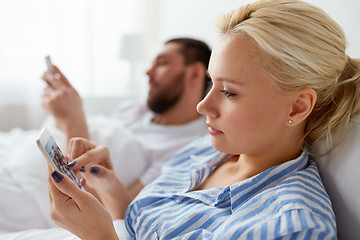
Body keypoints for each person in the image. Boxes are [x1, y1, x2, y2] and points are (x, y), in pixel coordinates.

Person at [48, 0, 360, 239]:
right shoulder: (206, 150)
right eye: (212, 84)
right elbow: (140, 224)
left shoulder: (290, 225)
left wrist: (100, 236)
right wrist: (110, 186)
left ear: (296, 107)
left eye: (230, 93)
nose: (202, 106)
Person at [42, 38, 211, 197]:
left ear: (195, 73)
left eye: (161, 63)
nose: (148, 72)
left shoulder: (189, 149)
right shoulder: (133, 109)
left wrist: (73, 121)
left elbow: (114, 213)